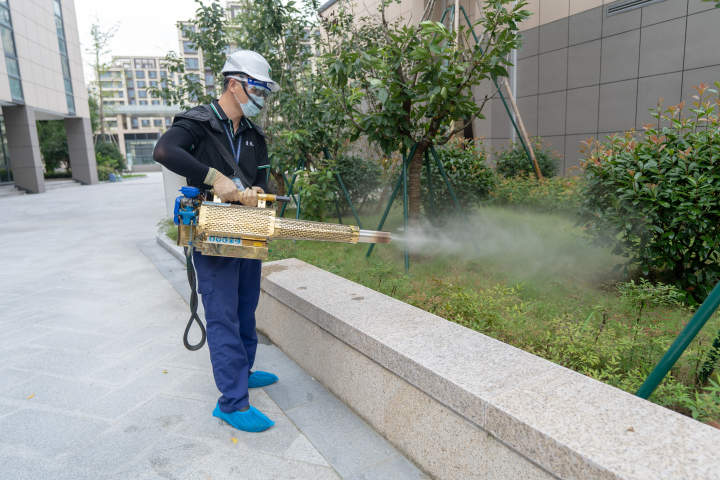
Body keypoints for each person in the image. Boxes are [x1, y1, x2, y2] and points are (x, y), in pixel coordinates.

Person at [153, 50, 279, 433]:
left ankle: (244, 370)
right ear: (234, 84)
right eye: (256, 88)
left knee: (246, 306)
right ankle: (232, 403)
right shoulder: (199, 123)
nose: (261, 97)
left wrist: (259, 190)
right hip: (212, 232)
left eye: (264, 91)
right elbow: (164, 151)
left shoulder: (255, 136)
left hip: (248, 227)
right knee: (223, 314)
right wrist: (214, 178)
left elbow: (265, 179)